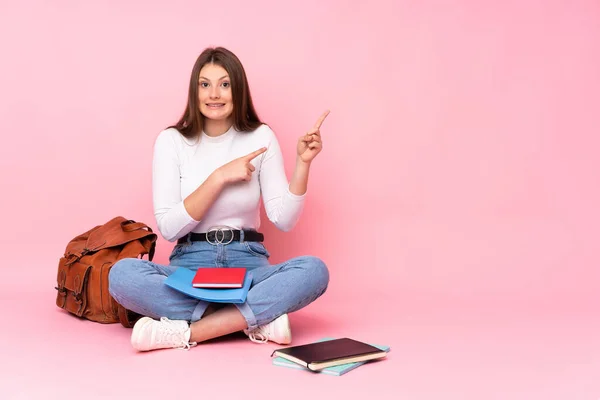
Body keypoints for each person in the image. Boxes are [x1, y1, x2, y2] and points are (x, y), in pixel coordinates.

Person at [108, 47, 330, 352]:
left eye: (225, 84)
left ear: (238, 89)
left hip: (248, 264)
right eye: (205, 84)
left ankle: (188, 332)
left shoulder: (261, 136)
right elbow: (170, 229)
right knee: (122, 275)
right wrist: (219, 178)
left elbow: (284, 219)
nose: (215, 93)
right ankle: (252, 319)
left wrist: (303, 164)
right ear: (194, 91)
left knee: (314, 270)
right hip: (189, 265)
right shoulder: (172, 141)